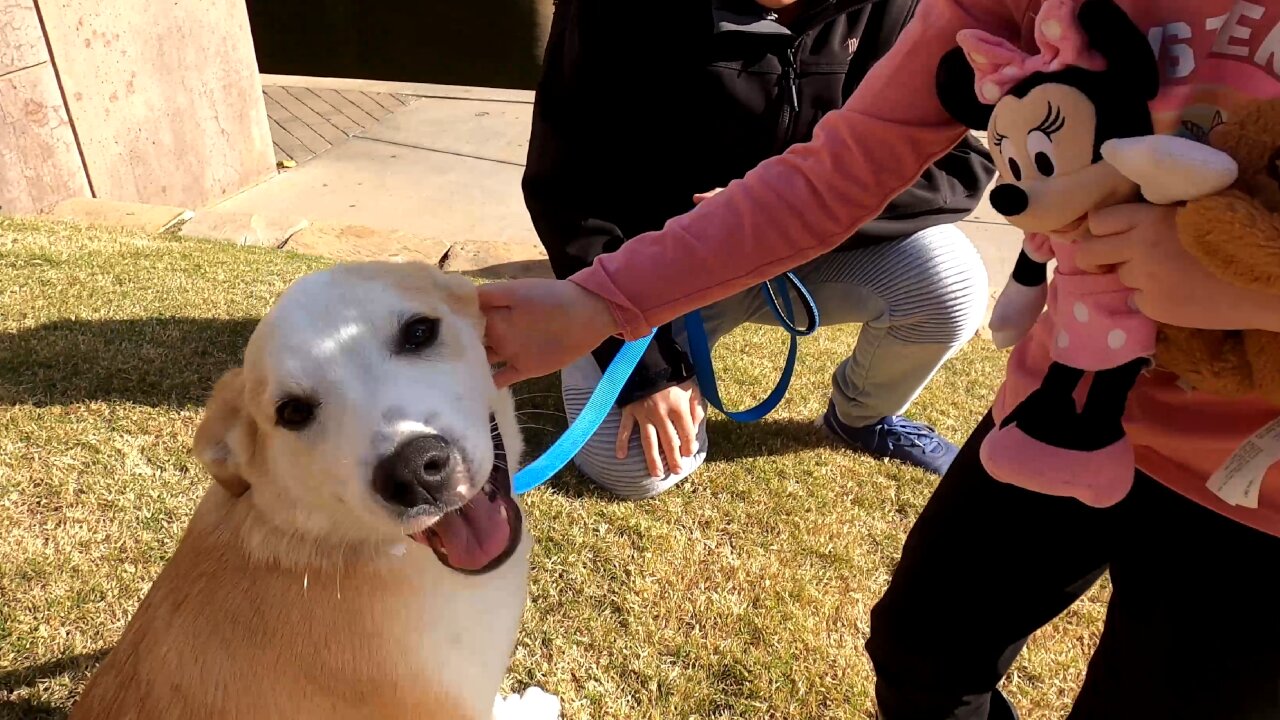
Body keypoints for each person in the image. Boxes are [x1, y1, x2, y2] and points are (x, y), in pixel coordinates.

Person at [483, 0, 1280, 716]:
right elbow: (842, 166)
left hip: (1255, 481)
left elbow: (952, 177)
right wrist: (603, 302)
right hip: (1054, 410)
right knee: (922, 654)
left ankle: (860, 414)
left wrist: (1250, 292)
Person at [523, 0, 995, 498]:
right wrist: (648, 371)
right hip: (654, 272)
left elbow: (957, 165)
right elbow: (567, 191)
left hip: (802, 253)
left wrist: (782, 212)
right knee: (637, 471)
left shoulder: (900, 7)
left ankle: (862, 416)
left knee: (951, 278)